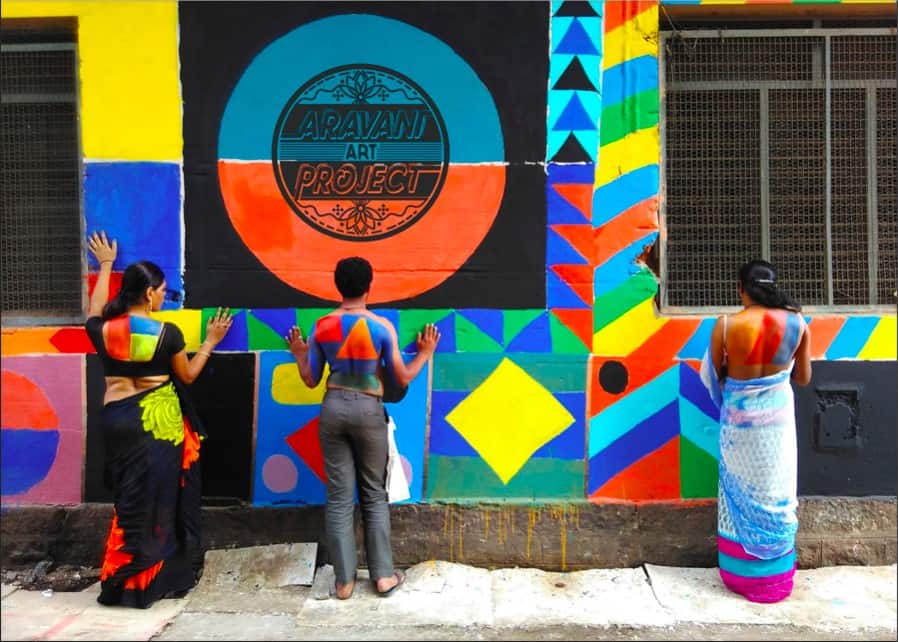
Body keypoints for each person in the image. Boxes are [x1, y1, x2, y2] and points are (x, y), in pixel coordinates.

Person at [84, 231, 234, 608]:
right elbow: (187, 377)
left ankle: (120, 580)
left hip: (117, 419)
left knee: (129, 500)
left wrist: (105, 266)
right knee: (160, 500)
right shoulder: (168, 333)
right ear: (149, 294)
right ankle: (152, 581)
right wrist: (212, 341)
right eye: (163, 291)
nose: (165, 297)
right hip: (158, 426)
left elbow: (94, 309)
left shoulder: (103, 330)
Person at [285, 256, 439, 599]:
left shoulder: (323, 326)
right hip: (369, 409)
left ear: (337, 285)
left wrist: (298, 352)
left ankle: (343, 582)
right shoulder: (382, 327)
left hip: (333, 406)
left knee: (339, 498)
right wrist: (425, 352)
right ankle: (384, 577)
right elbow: (402, 377)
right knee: (373, 493)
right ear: (370, 285)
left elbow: (311, 379)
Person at [700, 259, 812, 604]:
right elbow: (804, 378)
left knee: (738, 493)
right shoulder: (798, 323)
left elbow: (714, 374)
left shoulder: (726, 324)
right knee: (775, 492)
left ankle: (740, 573)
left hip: (739, 429)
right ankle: (774, 574)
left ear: (741, 289)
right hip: (778, 427)